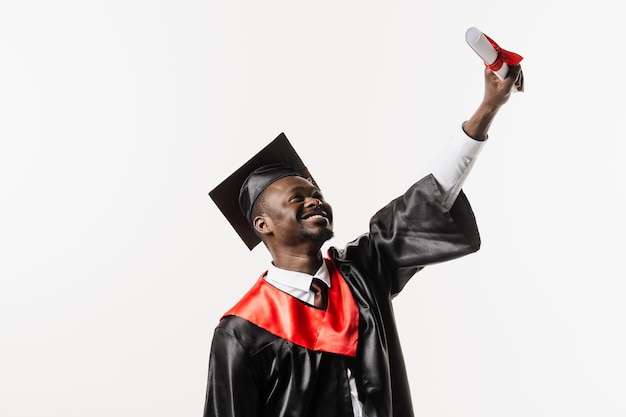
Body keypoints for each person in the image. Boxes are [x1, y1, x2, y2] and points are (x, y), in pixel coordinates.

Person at [204, 65, 522, 417]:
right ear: (263, 224)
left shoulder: (363, 272)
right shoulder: (242, 331)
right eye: (298, 197)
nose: (315, 200)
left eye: (317, 193)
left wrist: (487, 110)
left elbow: (427, 200)